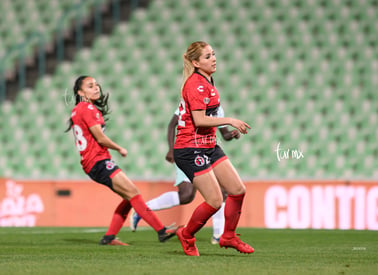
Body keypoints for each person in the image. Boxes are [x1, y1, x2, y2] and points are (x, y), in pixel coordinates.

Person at [65, 75, 178, 246]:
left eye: (96, 85)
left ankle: (109, 237)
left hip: (92, 163)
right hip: (98, 161)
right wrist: (119, 148)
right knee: (133, 193)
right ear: (81, 92)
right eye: (90, 86)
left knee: (129, 197)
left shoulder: (78, 109)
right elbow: (100, 138)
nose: (96, 88)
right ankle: (161, 231)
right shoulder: (87, 109)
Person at [173, 41, 254, 256]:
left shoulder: (207, 81)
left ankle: (228, 236)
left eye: (213, 54)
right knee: (215, 201)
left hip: (208, 145)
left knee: (238, 190)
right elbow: (199, 120)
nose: (213, 59)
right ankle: (187, 235)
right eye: (207, 56)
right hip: (190, 148)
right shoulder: (196, 85)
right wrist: (230, 121)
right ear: (195, 62)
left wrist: (226, 132)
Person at [130, 105, 240, 245]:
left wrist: (232, 134)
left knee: (222, 191)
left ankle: (218, 235)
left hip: (207, 151)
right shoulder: (192, 103)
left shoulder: (217, 108)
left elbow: (225, 135)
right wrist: (171, 149)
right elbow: (172, 124)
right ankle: (143, 209)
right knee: (186, 195)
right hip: (188, 151)